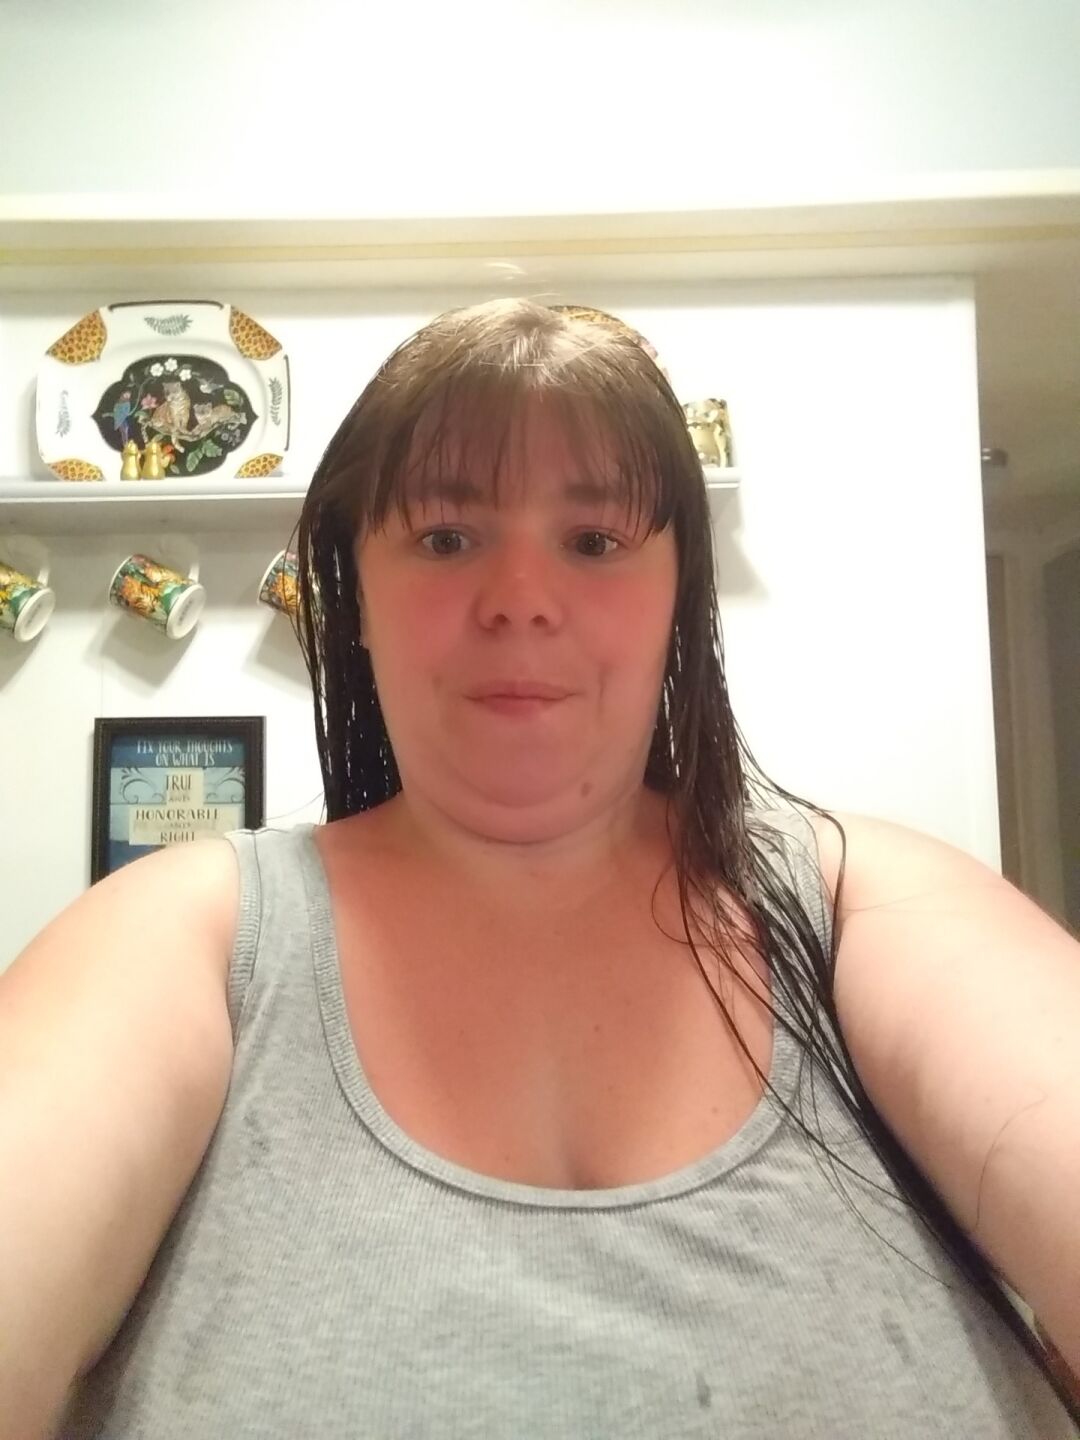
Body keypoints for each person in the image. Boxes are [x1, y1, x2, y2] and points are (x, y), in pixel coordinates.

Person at [2, 298, 1078, 1438]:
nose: (520, 598)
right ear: (354, 593)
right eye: (446, 538)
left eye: (596, 541)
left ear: (678, 594)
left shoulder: (868, 904)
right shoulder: (178, 936)